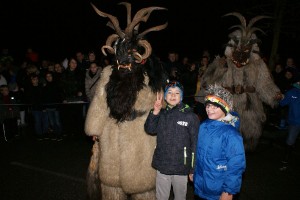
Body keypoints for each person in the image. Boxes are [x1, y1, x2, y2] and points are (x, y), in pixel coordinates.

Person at [144, 81, 200, 200]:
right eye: (169, 93)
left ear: (181, 96)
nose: (173, 95)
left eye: (177, 93)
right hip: (163, 164)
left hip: (181, 165)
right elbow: (150, 129)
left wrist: (193, 168)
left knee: (180, 196)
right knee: (161, 197)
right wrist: (155, 111)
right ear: (165, 96)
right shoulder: (161, 113)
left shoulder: (190, 116)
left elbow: (195, 143)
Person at [191, 84, 246, 200]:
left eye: (215, 107)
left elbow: (236, 165)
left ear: (225, 108)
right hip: (200, 183)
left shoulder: (231, 134)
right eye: (208, 106)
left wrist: (229, 191)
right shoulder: (203, 126)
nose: (209, 109)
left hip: (218, 188)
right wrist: (192, 170)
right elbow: (196, 151)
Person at [278, 76, 300, 171]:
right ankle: (285, 163)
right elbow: (282, 103)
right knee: (290, 142)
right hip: (295, 122)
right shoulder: (292, 92)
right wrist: (281, 97)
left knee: (291, 141)